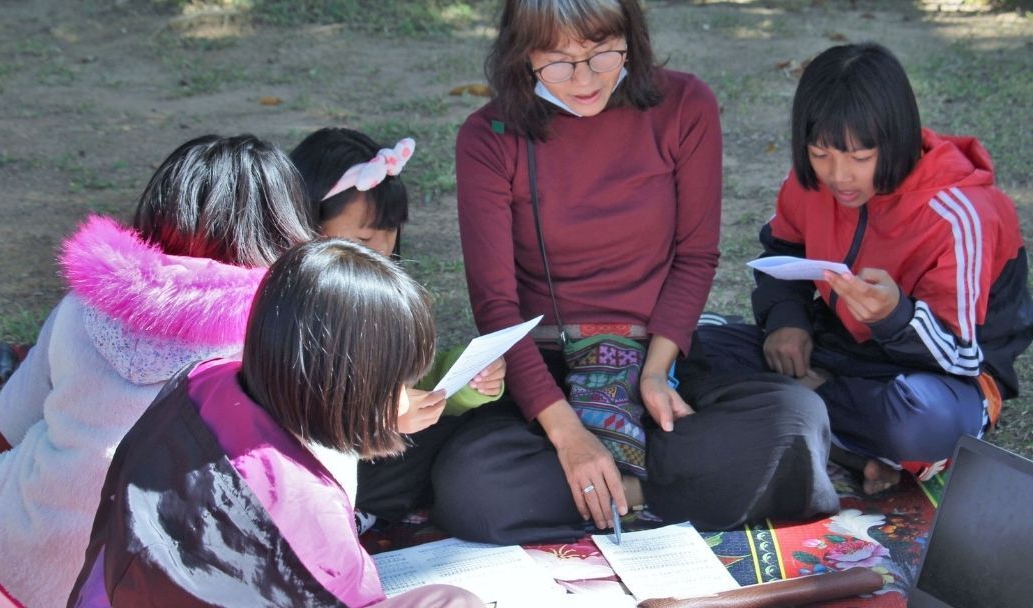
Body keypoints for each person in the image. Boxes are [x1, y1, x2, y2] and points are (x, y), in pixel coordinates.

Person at [440, 0, 839, 545]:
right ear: (521, 55)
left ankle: (624, 493)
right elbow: (496, 308)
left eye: (603, 54)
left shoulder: (684, 104)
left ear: (631, 39)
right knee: (471, 486)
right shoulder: (488, 138)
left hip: (660, 356)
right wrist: (567, 436)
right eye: (558, 63)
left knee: (796, 422)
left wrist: (654, 373)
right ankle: (641, 478)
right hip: (548, 366)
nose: (584, 81)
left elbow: (696, 256)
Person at [0, 135, 315, 607]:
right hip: (168, 584)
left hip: (12, 558)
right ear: (287, 225)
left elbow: (14, 419)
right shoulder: (283, 332)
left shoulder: (82, 304)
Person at [67, 239, 483, 608]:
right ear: (347, 385)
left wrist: (371, 411)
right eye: (394, 382)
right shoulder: (304, 508)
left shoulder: (205, 379)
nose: (402, 393)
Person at [696, 42, 1033, 494]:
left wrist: (893, 317)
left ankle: (801, 412)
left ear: (896, 139)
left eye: (859, 158)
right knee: (685, 349)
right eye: (820, 153)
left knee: (924, 425)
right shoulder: (808, 183)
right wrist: (786, 322)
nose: (839, 176)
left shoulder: (960, 212)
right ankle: (846, 446)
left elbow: (963, 356)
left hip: (934, 381)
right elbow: (781, 253)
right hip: (834, 353)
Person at [289, 127, 506, 526]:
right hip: (311, 459)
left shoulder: (385, 296)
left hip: (372, 448)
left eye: (390, 236)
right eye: (365, 238)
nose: (382, 252)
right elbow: (296, 409)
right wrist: (378, 419)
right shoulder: (284, 306)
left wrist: (467, 380)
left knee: (468, 430)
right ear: (304, 223)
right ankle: (352, 512)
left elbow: (414, 386)